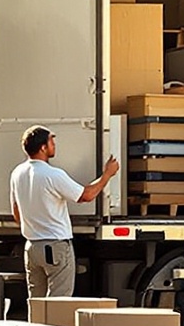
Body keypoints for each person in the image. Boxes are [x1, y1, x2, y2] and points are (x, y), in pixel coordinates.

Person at [9, 126, 121, 305]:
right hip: (55, 245)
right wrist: (107, 175)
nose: (54, 145)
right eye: (51, 141)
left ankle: (34, 324)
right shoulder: (52, 174)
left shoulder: (17, 173)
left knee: (36, 302)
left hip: (31, 247)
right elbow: (86, 196)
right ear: (43, 148)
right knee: (58, 303)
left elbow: (16, 212)